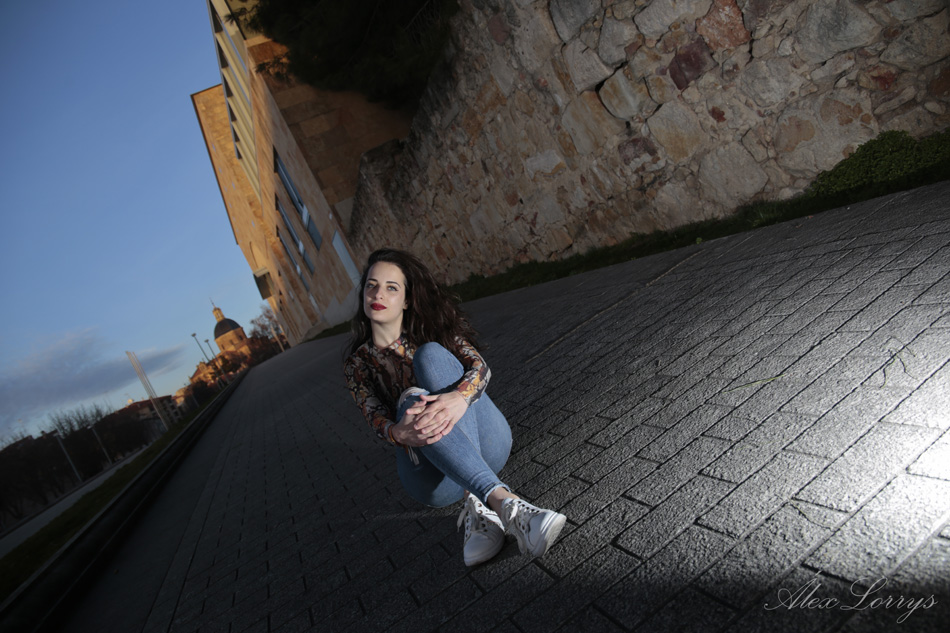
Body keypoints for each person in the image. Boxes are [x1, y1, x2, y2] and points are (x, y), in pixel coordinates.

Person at [343, 248, 567, 566]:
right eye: (371, 285)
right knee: (411, 402)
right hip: (434, 479)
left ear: (406, 300)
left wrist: (458, 397)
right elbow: (374, 417)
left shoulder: (432, 331)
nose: (378, 294)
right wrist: (397, 432)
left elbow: (480, 369)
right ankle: (502, 506)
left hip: (489, 444)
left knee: (431, 356)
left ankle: (487, 506)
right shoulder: (357, 364)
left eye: (391, 287)